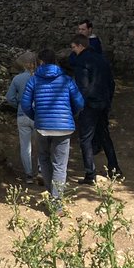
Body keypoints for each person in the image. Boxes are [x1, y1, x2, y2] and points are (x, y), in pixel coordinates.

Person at [19, 48, 84, 209]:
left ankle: (52, 195)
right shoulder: (66, 79)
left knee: (44, 159)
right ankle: (57, 203)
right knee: (60, 165)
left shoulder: (34, 80)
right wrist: (69, 115)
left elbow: (25, 104)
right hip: (64, 128)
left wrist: (36, 117)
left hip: (42, 127)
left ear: (40, 62)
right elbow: (79, 102)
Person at [69, 34, 121, 183]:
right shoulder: (102, 59)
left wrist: (78, 106)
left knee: (86, 139)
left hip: (90, 105)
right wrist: (108, 100)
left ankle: (90, 174)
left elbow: (83, 87)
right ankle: (115, 168)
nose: (73, 51)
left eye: (74, 47)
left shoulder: (81, 62)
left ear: (81, 46)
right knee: (104, 135)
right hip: (103, 102)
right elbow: (111, 83)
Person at [5, 51, 39, 185]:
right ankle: (40, 170)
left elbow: (9, 97)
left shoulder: (17, 79)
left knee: (25, 146)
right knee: (41, 145)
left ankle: (29, 174)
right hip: (38, 115)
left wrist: (18, 105)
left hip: (22, 113)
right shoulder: (40, 78)